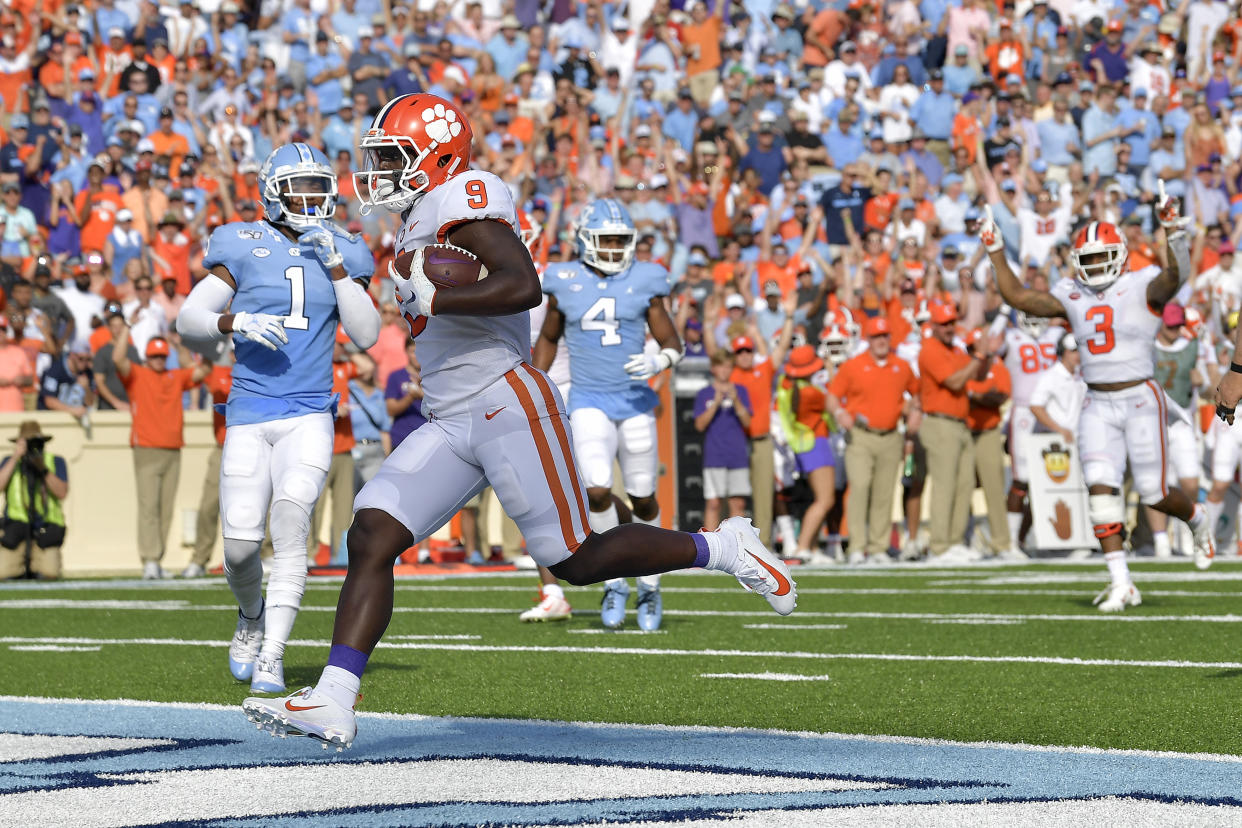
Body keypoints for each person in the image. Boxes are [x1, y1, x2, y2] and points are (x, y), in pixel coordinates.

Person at [243, 94, 796, 750]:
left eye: (394, 156)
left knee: (575, 560)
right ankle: (334, 698)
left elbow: (522, 282)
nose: (380, 170)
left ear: (438, 156)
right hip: (450, 416)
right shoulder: (421, 217)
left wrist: (441, 295)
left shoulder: (464, 196)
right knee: (371, 534)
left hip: (505, 401)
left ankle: (725, 547)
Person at [177, 142, 379, 694]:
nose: (313, 199)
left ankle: (274, 653)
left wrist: (335, 266)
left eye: (320, 188)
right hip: (249, 409)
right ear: (273, 192)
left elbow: (366, 334)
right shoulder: (241, 242)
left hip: (311, 411)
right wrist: (233, 320)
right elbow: (188, 317)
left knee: (291, 523)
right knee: (240, 546)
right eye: (301, 188)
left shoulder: (345, 247)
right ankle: (250, 616)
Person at [984, 185, 1215, 614]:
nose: (1093, 265)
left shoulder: (1142, 284)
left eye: (1099, 257)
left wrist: (1173, 233)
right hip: (1096, 402)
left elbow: (1175, 275)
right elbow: (1019, 297)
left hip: (1140, 397)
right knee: (1100, 490)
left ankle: (1198, 519)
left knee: (1153, 491)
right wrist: (996, 251)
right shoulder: (1072, 294)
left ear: (1120, 254)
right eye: (1086, 259)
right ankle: (1121, 581)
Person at [533, 198, 684, 631]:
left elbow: (672, 339)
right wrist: (535, 381)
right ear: (585, 241)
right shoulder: (564, 280)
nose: (615, 248)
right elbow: (547, 337)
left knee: (641, 496)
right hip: (588, 399)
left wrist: (661, 360)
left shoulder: (646, 279)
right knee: (596, 491)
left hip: (634, 402)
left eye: (621, 240)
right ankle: (615, 580)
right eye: (607, 240)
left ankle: (650, 586)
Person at [114, 331, 210, 579]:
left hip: (173, 449)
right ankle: (149, 559)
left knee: (165, 508)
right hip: (146, 448)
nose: (158, 360)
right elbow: (118, 359)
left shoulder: (174, 376)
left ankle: (156, 560)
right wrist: (126, 328)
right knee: (149, 506)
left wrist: (181, 347)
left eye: (161, 356)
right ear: (147, 357)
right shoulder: (138, 375)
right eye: (154, 356)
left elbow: (202, 370)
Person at [826, 316, 919, 563]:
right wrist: (839, 412)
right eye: (876, 336)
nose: (881, 341)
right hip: (861, 436)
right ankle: (857, 547)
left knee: (884, 492)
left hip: (891, 435)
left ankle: (878, 547)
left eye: (885, 335)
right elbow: (832, 397)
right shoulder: (853, 366)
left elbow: (917, 393)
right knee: (860, 486)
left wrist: (915, 412)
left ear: (890, 338)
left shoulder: (901, 366)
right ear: (868, 339)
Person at [918, 301, 987, 562]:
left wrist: (983, 350)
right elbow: (955, 381)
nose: (948, 327)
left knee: (964, 484)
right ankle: (938, 544)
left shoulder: (956, 350)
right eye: (943, 323)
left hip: (960, 422)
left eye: (950, 322)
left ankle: (955, 540)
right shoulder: (930, 350)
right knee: (945, 485)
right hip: (940, 423)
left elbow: (976, 376)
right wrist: (978, 357)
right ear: (933, 325)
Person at [999, 310, 1064, 556]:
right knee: (1022, 478)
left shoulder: (1056, 334)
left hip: (1054, 410)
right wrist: (1002, 314)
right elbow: (991, 343)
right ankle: (1012, 541)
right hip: (1024, 411)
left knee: (1052, 478)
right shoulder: (1011, 336)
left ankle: (1038, 539)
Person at [1148, 303, 1204, 558]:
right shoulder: (1147, 347)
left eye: (1177, 324)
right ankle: (1161, 542)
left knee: (1190, 482)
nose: (1174, 330)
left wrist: (1201, 381)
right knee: (1155, 486)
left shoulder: (1192, 347)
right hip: (1152, 421)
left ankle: (1188, 529)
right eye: (1170, 325)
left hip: (1181, 421)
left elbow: (1207, 385)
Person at [776, 345, 837, 563]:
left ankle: (811, 546)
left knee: (817, 498)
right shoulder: (809, 392)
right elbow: (832, 400)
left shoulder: (790, 387)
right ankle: (803, 546)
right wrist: (830, 371)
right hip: (816, 443)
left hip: (807, 445)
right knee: (825, 500)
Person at [964, 328, 1015, 559]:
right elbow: (959, 396)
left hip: (988, 432)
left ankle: (1001, 543)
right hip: (964, 432)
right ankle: (964, 540)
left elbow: (1000, 396)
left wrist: (975, 397)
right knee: (961, 488)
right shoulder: (963, 366)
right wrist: (984, 398)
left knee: (994, 488)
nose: (976, 353)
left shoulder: (997, 367)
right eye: (972, 349)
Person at [0, 421, 68, 581]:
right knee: (2, 572)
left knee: (49, 572)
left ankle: (38, 564)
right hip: (16, 528)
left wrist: (43, 468)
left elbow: (62, 492)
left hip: (44, 528)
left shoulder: (55, 461)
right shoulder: (10, 461)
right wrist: (16, 456)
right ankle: (20, 565)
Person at [694, 349, 753, 532]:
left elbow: (747, 422)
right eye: (721, 366)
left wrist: (736, 401)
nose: (725, 371)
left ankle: (740, 547)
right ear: (713, 369)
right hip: (715, 455)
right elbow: (699, 425)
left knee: (737, 503)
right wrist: (716, 403)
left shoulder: (741, 391)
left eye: (728, 367)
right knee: (713, 502)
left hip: (737, 455)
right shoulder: (704, 393)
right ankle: (710, 549)